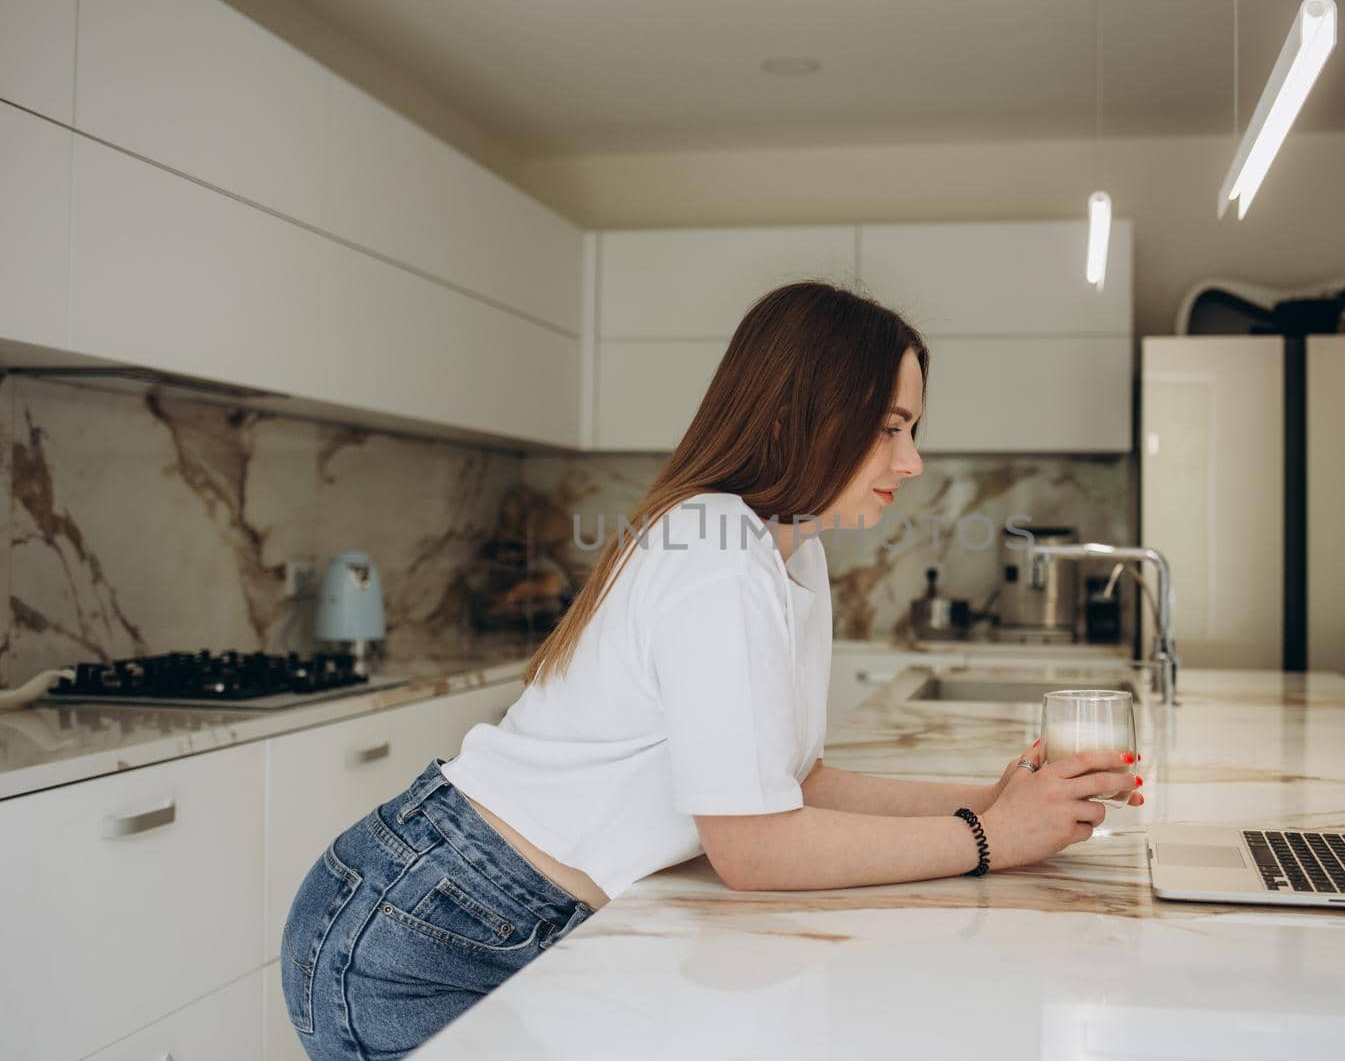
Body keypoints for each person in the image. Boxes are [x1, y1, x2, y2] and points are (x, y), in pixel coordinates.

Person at [279, 282, 1145, 1060]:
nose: (912, 461)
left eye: (911, 428)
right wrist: (991, 839)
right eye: (889, 427)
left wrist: (987, 801)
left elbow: (790, 784)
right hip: (420, 931)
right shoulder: (719, 552)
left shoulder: (787, 552)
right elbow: (753, 846)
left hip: (484, 910)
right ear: (793, 415)